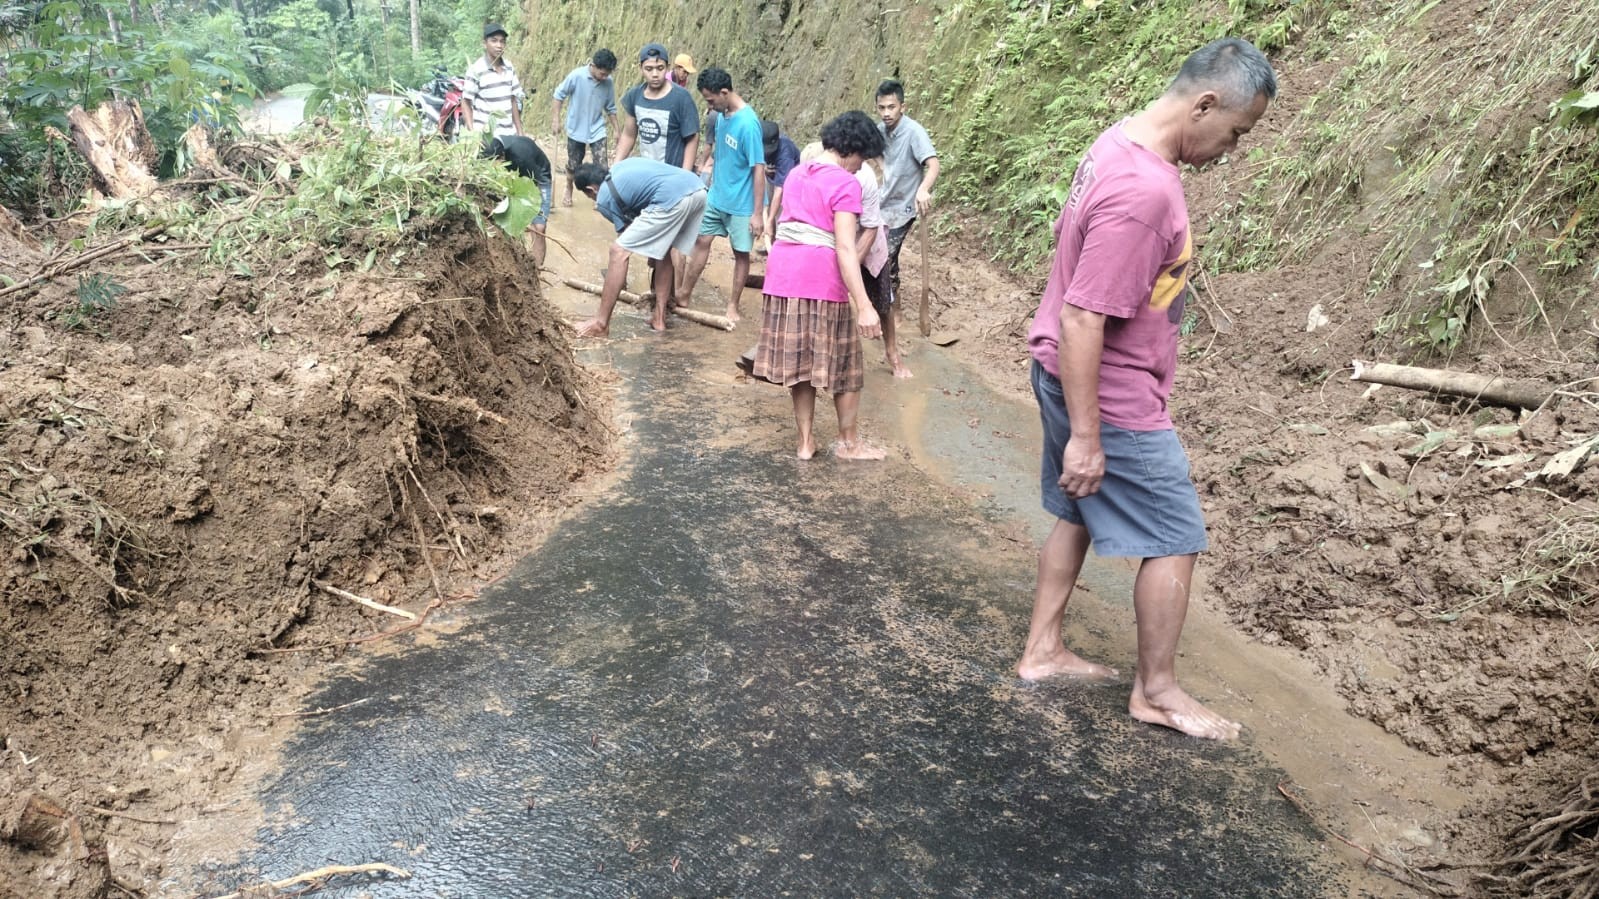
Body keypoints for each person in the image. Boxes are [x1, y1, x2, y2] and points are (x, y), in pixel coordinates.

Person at [1014, 37, 1277, 742]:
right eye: (1235, 131)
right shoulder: (1144, 191)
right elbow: (1083, 314)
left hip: (1064, 371)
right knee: (1175, 533)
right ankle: (1155, 690)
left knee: (1078, 509)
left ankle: (1042, 649)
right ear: (1204, 104)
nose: (1232, 147)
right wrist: (1090, 435)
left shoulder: (1117, 141)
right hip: (1109, 390)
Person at [752, 110, 887, 461]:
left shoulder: (797, 172)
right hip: (819, 279)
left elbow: (781, 222)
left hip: (782, 277)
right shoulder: (845, 183)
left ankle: (805, 442)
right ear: (852, 149)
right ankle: (849, 444)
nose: (861, 167)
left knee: (800, 364)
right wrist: (865, 305)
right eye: (862, 158)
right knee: (846, 366)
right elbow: (845, 247)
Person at [571, 158, 708, 336]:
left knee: (617, 252)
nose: (592, 199)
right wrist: (652, 251)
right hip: (697, 190)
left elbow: (626, 241)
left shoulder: (604, 197)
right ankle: (659, 318)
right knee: (663, 253)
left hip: (672, 198)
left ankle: (601, 323)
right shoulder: (620, 168)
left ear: (591, 189)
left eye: (589, 196)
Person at [677, 67, 764, 323]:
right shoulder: (722, 117)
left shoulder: (749, 124)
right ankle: (683, 293)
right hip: (717, 196)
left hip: (742, 203)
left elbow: (758, 169)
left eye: (711, 99)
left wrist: (758, 213)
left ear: (724, 92)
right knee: (701, 241)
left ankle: (733, 306)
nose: (710, 105)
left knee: (740, 253)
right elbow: (720, 154)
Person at [875, 79, 940, 378]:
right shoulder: (879, 132)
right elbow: (869, 154)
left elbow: (933, 164)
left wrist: (924, 189)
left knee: (885, 258)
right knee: (888, 260)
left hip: (905, 208)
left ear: (903, 106)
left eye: (892, 107)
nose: (887, 113)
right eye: (882, 107)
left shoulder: (914, 132)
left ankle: (892, 310)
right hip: (882, 206)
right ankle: (894, 306)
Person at [615, 43, 700, 170]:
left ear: (667, 67)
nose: (655, 74)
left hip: (672, 173)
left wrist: (684, 174)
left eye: (660, 68)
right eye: (649, 69)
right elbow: (629, 135)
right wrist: (615, 166)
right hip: (647, 174)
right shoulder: (634, 96)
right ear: (641, 68)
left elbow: (692, 138)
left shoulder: (682, 98)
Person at [552, 49, 619, 206]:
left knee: (602, 166)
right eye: (602, 73)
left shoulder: (608, 82)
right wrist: (555, 119)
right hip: (576, 129)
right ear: (593, 66)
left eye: (607, 74)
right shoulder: (577, 76)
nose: (605, 77)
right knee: (574, 165)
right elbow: (558, 95)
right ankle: (569, 187)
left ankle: (602, 197)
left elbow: (611, 107)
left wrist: (617, 130)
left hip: (597, 129)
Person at [481, 135, 553, 267]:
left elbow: (530, 187)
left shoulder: (521, 156)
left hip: (537, 179)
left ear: (501, 157)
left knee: (538, 227)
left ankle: (537, 269)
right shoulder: (487, 150)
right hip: (512, 177)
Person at [462, 23, 524, 139]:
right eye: (494, 41)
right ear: (485, 44)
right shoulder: (476, 70)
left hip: (509, 134)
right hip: (486, 136)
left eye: (502, 41)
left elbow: (513, 100)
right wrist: (472, 133)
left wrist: (520, 132)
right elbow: (465, 102)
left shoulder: (509, 68)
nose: (499, 45)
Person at [758, 120, 801, 254]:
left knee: (779, 215)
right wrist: (764, 168)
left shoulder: (785, 152)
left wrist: (769, 221)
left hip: (790, 184)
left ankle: (780, 249)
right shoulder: (756, 140)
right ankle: (770, 243)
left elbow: (780, 191)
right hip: (772, 178)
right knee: (769, 207)